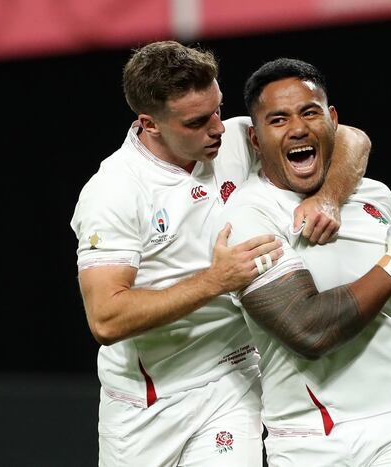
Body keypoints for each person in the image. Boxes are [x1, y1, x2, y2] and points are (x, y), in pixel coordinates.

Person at [70, 41, 371, 466]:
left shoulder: (234, 139)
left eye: (218, 108)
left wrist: (330, 198)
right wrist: (216, 281)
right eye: (197, 121)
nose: (216, 128)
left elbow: (351, 139)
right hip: (147, 402)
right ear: (149, 124)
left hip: (233, 380)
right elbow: (105, 318)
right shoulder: (114, 192)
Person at [212, 58, 391, 466]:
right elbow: (308, 330)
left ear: (332, 119)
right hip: (308, 438)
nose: (299, 129)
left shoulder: (374, 194)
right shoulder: (249, 215)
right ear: (255, 139)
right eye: (278, 120)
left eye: (309, 112)